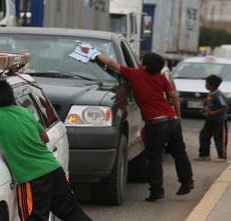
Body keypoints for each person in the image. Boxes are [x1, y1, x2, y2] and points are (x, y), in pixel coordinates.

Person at [73, 43, 194, 202]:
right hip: (171, 120)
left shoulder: (135, 75)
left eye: (141, 60)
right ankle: (187, 182)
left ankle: (156, 191)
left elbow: (110, 63)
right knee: (180, 153)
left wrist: (93, 53)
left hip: (155, 124)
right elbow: (174, 95)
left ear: (144, 66)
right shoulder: (161, 78)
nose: (139, 62)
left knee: (154, 157)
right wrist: (178, 116)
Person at [0, 78, 93, 221]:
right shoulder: (24, 112)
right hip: (54, 169)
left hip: (32, 179)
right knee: (71, 213)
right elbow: (44, 138)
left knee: (33, 218)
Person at [195, 74, 228, 162]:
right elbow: (210, 105)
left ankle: (222, 156)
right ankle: (204, 154)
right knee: (204, 135)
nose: (205, 85)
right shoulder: (210, 94)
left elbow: (225, 107)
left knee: (220, 138)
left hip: (219, 120)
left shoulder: (218, 95)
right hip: (210, 119)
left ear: (212, 85)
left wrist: (213, 113)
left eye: (207, 83)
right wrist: (205, 109)